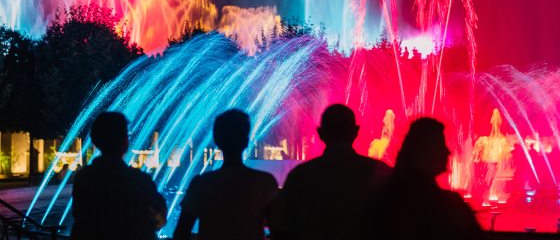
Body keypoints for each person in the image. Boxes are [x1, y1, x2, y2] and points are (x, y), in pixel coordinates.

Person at [268, 104, 391, 240]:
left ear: (321, 133)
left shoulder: (300, 175)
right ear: (355, 131)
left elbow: (281, 229)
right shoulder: (381, 172)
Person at [372, 117, 485, 240]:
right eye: (441, 144)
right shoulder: (449, 206)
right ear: (426, 151)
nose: (448, 152)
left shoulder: (384, 200)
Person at [173, 109, 279, 240]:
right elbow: (280, 230)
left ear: (217, 140)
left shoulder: (201, 184)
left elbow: (181, 232)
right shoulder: (264, 183)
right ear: (246, 141)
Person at [71, 112, 167, 240]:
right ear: (124, 141)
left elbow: (79, 217)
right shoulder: (139, 181)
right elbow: (159, 219)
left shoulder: (83, 178)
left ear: (95, 140)